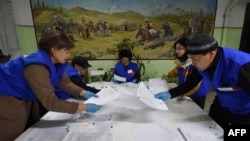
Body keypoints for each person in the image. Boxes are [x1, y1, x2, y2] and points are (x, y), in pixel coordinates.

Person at [0, 30, 102, 140]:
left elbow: (64, 82)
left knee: (29, 128)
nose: (69, 55)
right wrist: (85, 107)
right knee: (10, 133)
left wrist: (83, 92)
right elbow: (51, 102)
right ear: (53, 50)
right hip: (7, 98)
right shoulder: (36, 66)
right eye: (66, 51)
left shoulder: (56, 62)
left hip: (25, 97)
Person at [155, 33, 250, 129]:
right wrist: (170, 93)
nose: (192, 62)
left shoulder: (242, 66)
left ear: (211, 54)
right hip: (222, 104)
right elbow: (191, 83)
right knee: (211, 130)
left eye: (194, 59)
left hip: (244, 112)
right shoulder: (202, 63)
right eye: (190, 58)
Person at [161, 37, 211, 109]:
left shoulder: (194, 63)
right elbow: (176, 71)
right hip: (185, 91)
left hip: (197, 93)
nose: (177, 51)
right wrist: (168, 75)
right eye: (176, 48)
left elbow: (195, 84)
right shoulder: (181, 62)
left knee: (196, 112)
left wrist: (183, 93)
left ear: (188, 49)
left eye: (180, 48)